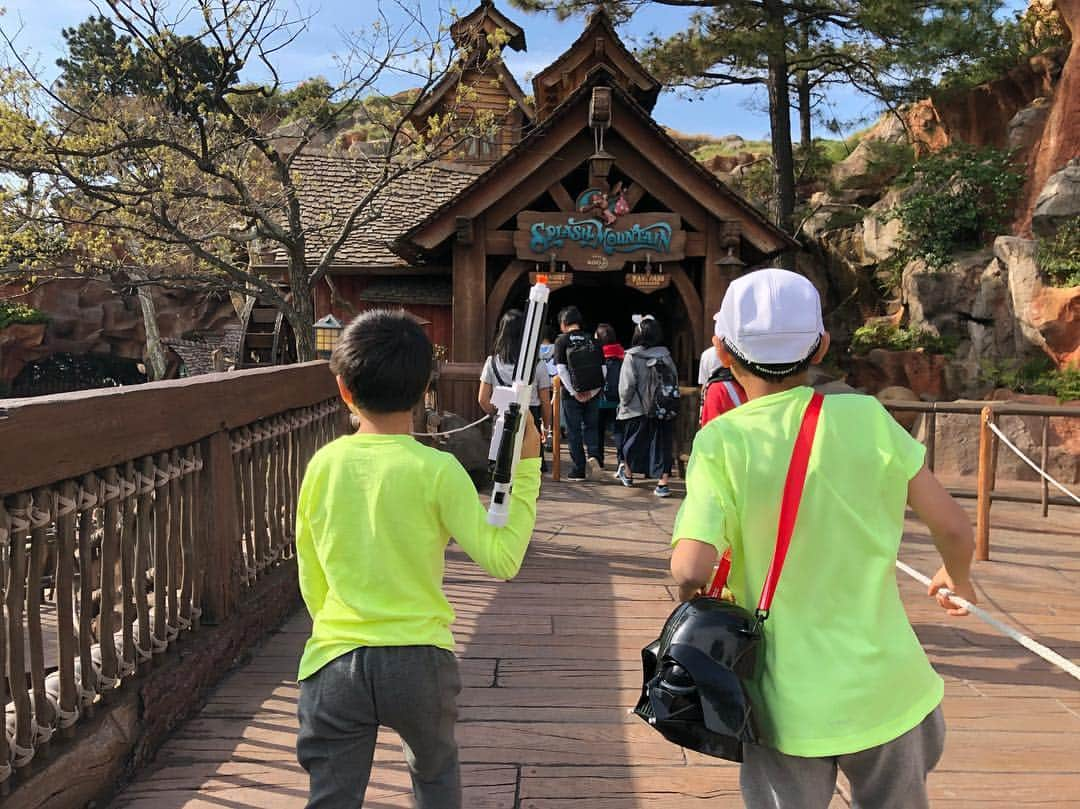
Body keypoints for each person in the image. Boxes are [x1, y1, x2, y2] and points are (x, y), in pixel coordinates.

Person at [669, 268, 976, 809]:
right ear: (821, 345)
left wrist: (695, 601)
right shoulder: (868, 417)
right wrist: (958, 576)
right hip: (887, 687)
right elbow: (952, 525)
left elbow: (691, 567)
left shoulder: (723, 440)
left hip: (784, 700)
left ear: (721, 349)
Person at [295, 310, 542, 809]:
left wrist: (333, 627)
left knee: (332, 797)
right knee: (434, 778)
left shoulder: (323, 465)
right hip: (420, 660)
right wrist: (529, 467)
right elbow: (502, 559)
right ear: (424, 388)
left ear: (344, 388)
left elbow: (311, 570)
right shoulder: (439, 470)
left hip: (335, 656)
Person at [479, 309, 553, 472]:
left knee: (501, 474)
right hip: (529, 420)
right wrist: (545, 428)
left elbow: (483, 399)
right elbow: (546, 403)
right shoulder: (538, 364)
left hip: (502, 421)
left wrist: (497, 413)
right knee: (527, 476)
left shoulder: (491, 362)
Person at [616, 314, 678, 497]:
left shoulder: (632, 356)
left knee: (632, 444)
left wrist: (624, 404)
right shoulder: (665, 356)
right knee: (662, 445)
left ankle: (628, 473)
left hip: (637, 409)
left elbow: (626, 386)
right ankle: (662, 483)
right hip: (662, 408)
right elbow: (672, 378)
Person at [553, 305, 603, 481]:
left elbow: (561, 370)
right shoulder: (593, 341)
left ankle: (578, 469)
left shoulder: (561, 341)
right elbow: (602, 370)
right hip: (593, 393)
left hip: (570, 395)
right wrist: (591, 392)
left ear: (564, 323)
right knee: (591, 427)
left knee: (574, 431)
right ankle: (594, 457)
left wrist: (575, 392)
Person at [594, 322, 625, 473]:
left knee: (597, 431)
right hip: (617, 400)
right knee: (618, 432)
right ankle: (621, 461)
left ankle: (599, 461)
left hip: (599, 400)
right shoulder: (622, 354)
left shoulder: (596, 353)